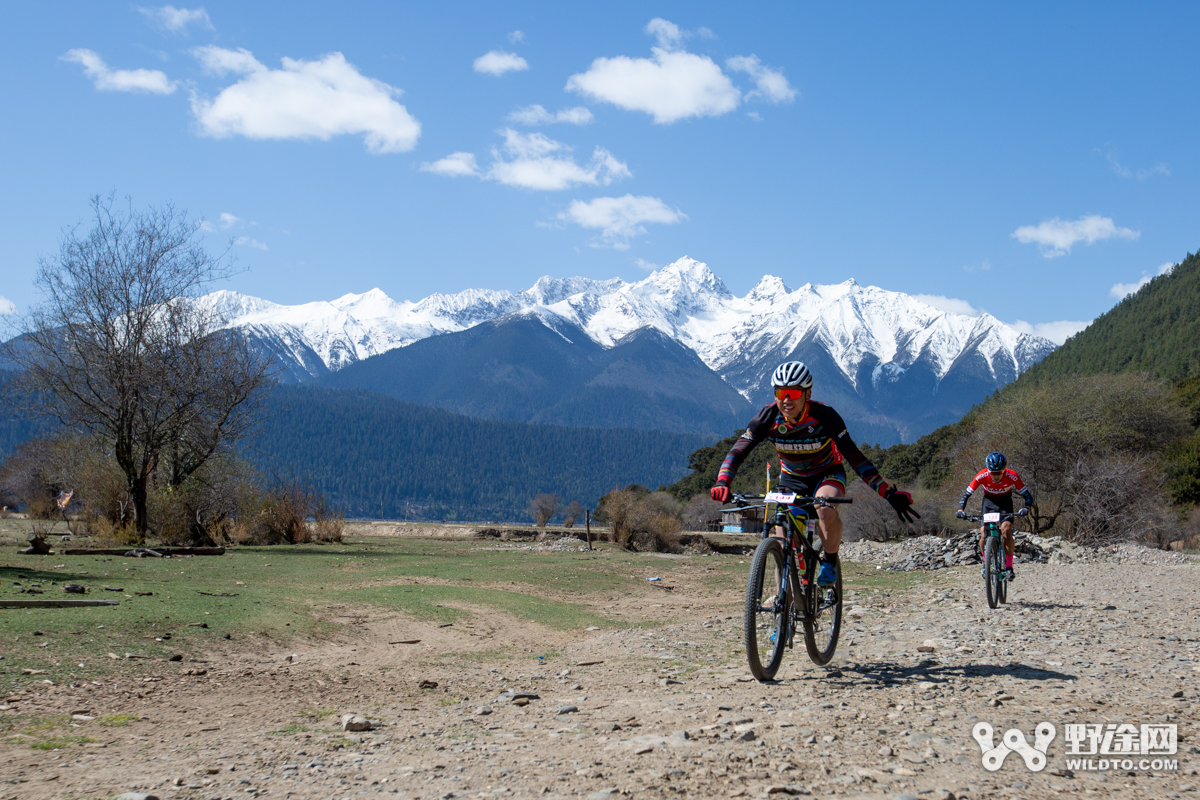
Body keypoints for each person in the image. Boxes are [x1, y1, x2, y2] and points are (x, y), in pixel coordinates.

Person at [710, 361, 920, 587]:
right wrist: (723, 481)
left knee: (824, 508)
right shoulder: (767, 418)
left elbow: (855, 458)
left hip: (827, 473)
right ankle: (785, 602)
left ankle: (829, 562)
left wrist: (887, 492)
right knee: (785, 542)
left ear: (807, 394)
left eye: (793, 393)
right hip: (791, 479)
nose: (786, 400)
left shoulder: (825, 416)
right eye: (781, 393)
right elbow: (737, 452)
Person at [955, 452, 1034, 580]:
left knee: (1006, 531)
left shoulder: (1012, 476)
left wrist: (1027, 508)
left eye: (999, 473)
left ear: (1004, 471)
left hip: (1005, 504)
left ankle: (1009, 567)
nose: (996, 476)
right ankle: (985, 563)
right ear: (988, 470)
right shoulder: (982, 476)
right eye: (993, 473)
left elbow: (1027, 495)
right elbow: (966, 494)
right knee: (983, 534)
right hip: (989, 504)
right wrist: (960, 510)